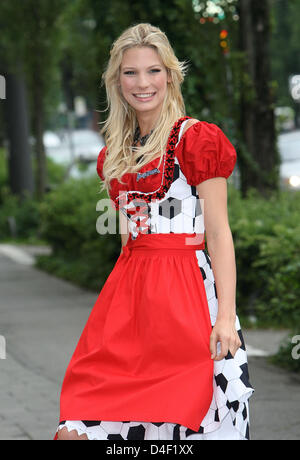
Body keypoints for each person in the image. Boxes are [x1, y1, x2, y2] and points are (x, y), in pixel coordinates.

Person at [54, 23, 254, 441]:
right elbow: (129, 242)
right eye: (130, 72)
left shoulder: (197, 139)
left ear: (170, 75)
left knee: (188, 424)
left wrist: (226, 319)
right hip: (133, 301)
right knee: (83, 419)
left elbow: (218, 234)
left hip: (192, 297)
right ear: (116, 81)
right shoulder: (115, 155)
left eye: (153, 71)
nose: (142, 83)